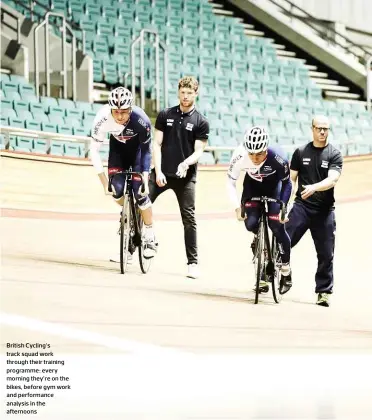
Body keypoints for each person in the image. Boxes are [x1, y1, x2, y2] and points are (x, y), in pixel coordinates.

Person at [149, 76, 209, 279]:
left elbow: (199, 150)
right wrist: (157, 171)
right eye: (182, 92)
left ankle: (193, 263)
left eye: (189, 93)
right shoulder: (165, 114)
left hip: (186, 177)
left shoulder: (201, 121)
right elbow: (156, 144)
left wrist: (186, 163)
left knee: (189, 219)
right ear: (178, 92)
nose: (185, 96)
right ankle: (131, 248)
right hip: (162, 173)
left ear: (196, 93)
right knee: (140, 203)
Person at [89, 86, 157, 259]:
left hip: (137, 155)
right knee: (116, 190)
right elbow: (94, 151)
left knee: (140, 193)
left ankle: (150, 236)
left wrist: (145, 179)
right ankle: (128, 210)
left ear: (131, 108)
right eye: (116, 112)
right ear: (110, 109)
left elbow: (147, 151)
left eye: (124, 112)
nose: (119, 117)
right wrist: (104, 182)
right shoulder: (102, 118)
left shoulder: (141, 120)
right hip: (117, 153)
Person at [227, 126, 293, 294]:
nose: (255, 158)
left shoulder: (278, 157)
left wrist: (283, 207)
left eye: (259, 154)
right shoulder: (240, 155)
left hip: (274, 188)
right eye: (252, 154)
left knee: (276, 224)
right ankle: (259, 240)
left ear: (266, 149)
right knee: (250, 224)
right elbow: (230, 182)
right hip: (252, 187)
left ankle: (286, 271)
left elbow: (287, 183)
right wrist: (236, 207)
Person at [286, 115, 343, 307]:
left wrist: (314, 187)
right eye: (318, 128)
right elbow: (291, 180)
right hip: (302, 207)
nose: (322, 132)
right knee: (283, 241)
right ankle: (267, 274)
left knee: (326, 254)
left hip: (325, 211)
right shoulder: (300, 152)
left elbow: (333, 179)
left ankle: (323, 292)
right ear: (312, 129)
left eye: (325, 129)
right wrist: (285, 202)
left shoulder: (334, 154)